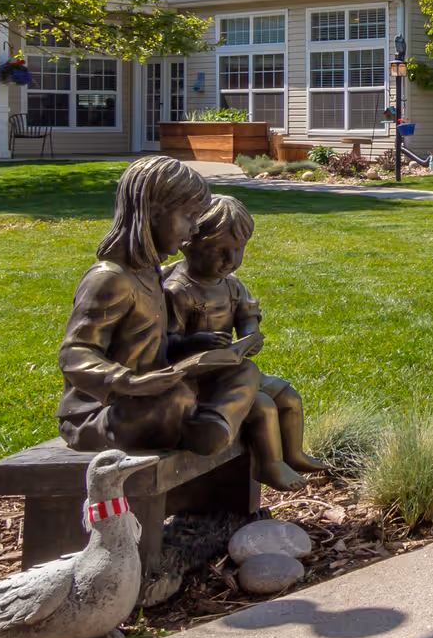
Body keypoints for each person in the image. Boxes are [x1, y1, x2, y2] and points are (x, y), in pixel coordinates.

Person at [57, 156, 261, 456]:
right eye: (189, 217)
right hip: (102, 411)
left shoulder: (152, 274)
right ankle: (198, 425)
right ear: (153, 213)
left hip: (156, 385)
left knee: (243, 372)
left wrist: (197, 351)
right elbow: (75, 353)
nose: (193, 230)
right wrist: (130, 383)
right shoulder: (109, 278)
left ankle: (209, 425)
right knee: (177, 400)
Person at [163, 196, 324, 490]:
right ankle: (270, 465)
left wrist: (250, 335)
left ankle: (294, 453)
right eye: (219, 250)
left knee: (288, 397)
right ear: (188, 244)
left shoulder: (231, 283)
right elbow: (167, 344)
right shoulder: (179, 290)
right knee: (262, 406)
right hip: (202, 378)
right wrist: (198, 341)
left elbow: (246, 313)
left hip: (232, 368)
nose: (230, 259)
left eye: (238, 250)